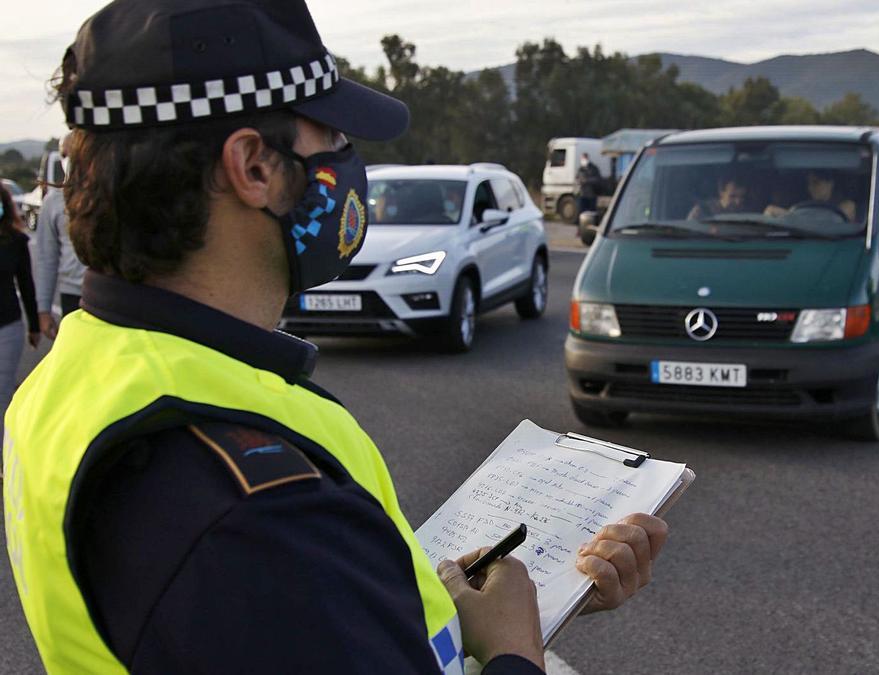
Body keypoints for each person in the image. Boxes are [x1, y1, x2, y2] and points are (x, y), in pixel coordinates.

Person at [2, 2, 667, 674]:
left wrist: (432, 605)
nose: (350, 167)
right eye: (335, 141)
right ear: (254, 167)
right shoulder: (260, 514)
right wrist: (514, 649)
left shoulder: (73, 377)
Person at [35, 131, 87, 339]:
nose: (69, 160)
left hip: (111, 296)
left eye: (74, 153)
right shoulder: (53, 202)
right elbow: (47, 257)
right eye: (64, 155)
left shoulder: (110, 195)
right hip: (72, 295)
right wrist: (44, 309)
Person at [0, 183, 39, 420]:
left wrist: (34, 324)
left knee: (2, 395)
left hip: (7, 327)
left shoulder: (16, 242)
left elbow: (26, 285)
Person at [764, 170, 856, 221]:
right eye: (808, 183)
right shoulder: (802, 204)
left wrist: (790, 216)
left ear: (830, 183)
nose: (810, 188)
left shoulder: (847, 205)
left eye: (816, 183)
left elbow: (832, 223)